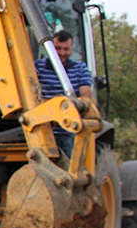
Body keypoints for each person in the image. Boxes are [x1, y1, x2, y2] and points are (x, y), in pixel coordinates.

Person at [33, 30, 94, 158]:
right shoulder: (37, 67)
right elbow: (32, 93)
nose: (62, 53)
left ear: (72, 49)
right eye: (58, 48)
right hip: (42, 128)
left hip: (68, 129)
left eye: (66, 49)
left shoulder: (80, 69)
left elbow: (85, 96)